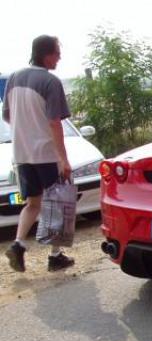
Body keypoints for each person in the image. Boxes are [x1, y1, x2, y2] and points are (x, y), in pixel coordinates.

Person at [2, 35, 74, 272]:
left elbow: (7, 116)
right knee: (57, 202)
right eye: (57, 53)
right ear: (47, 54)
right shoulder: (50, 82)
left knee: (32, 203)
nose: (60, 57)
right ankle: (55, 256)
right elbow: (55, 123)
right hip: (45, 153)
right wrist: (63, 159)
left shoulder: (14, 78)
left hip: (22, 153)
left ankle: (18, 244)